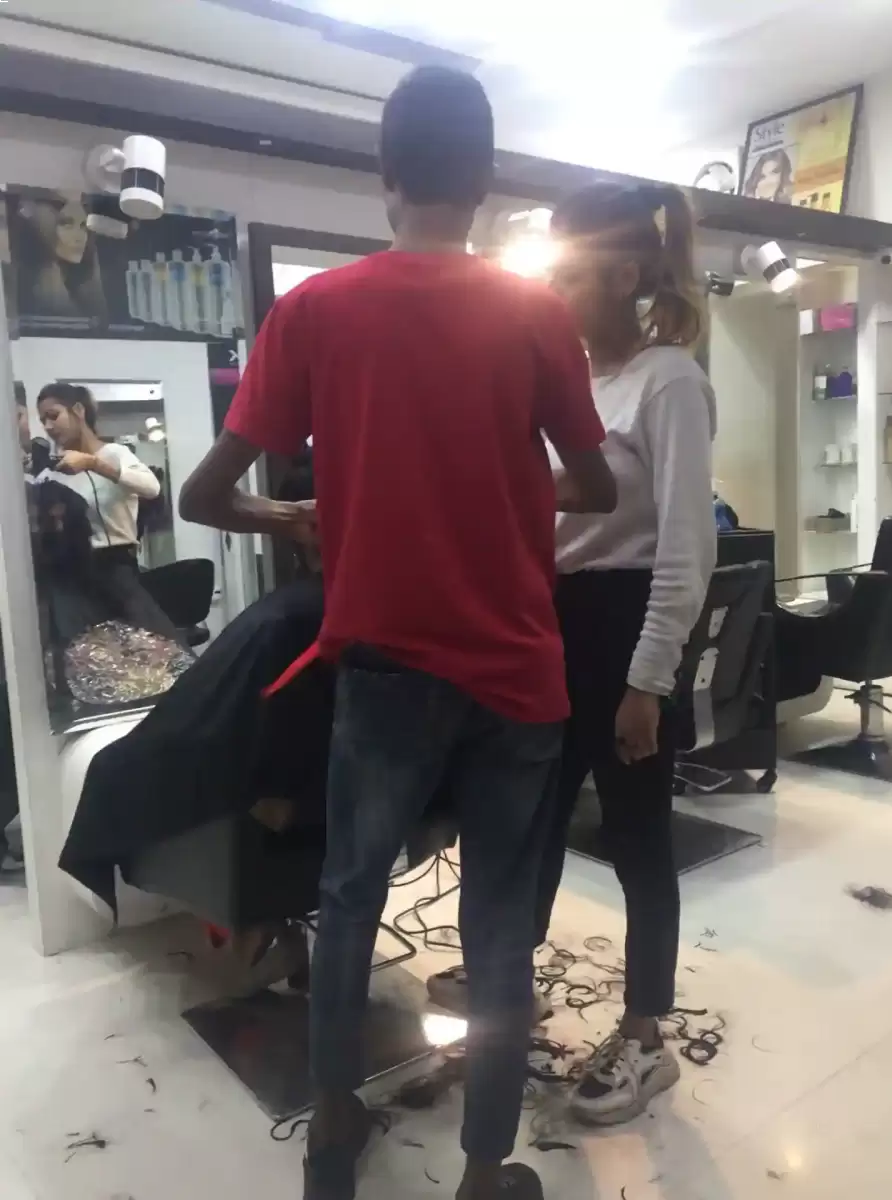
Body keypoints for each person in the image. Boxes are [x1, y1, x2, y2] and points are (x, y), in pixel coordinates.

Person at [179, 65, 615, 1200]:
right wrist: (501, 492)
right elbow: (599, 488)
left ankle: (333, 1131)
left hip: (382, 673)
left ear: (385, 176)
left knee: (348, 898)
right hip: (517, 674)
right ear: (484, 182)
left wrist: (295, 515)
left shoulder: (315, 311)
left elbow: (205, 496)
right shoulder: (537, 315)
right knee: (500, 927)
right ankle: (483, 1175)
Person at [429, 180, 717, 1127]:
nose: (552, 295)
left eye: (571, 277)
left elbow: (687, 547)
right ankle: (512, 988)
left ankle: (645, 1035)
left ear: (627, 274)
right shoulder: (571, 380)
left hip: (626, 623)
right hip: (550, 622)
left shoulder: (668, 380)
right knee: (535, 818)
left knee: (637, 837)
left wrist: (648, 679)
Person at [36, 383, 180, 643]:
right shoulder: (51, 474)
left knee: (146, 658)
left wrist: (94, 463)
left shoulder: (114, 454)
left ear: (78, 410)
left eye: (53, 416)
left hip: (116, 575)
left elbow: (151, 488)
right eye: (42, 420)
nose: (47, 426)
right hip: (70, 582)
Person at [10, 191, 107, 322]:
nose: (79, 237)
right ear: (46, 229)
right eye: (67, 225)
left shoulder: (89, 283)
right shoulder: (38, 290)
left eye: (83, 226)